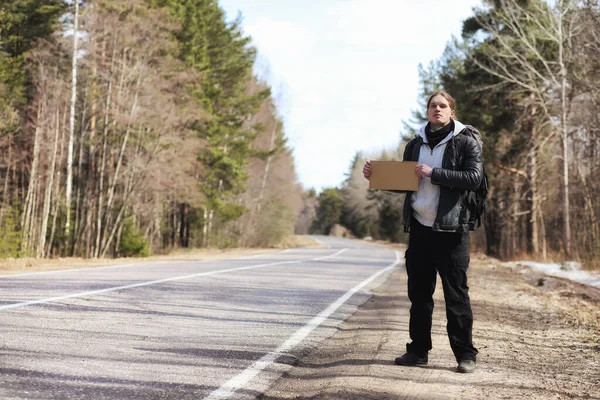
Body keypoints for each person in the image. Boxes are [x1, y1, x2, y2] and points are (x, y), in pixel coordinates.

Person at [363, 90, 483, 373]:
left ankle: (466, 355)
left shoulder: (466, 141)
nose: (437, 109)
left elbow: (474, 178)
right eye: (432, 106)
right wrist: (376, 177)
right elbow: (407, 182)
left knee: (456, 297)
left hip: (452, 231)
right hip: (420, 229)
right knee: (419, 296)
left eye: (443, 106)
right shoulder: (415, 144)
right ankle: (418, 351)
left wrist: (434, 173)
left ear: (452, 111)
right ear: (427, 111)